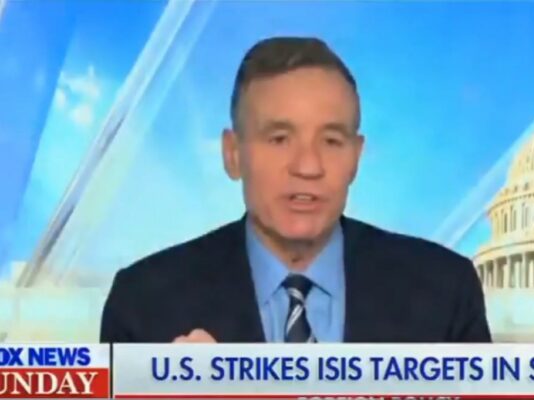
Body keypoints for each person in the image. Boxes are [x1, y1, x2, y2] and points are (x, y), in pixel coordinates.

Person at [100, 37, 491, 343]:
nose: (308, 166)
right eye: (279, 139)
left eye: (331, 141)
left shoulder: (446, 293)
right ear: (233, 154)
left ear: (356, 158)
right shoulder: (144, 303)